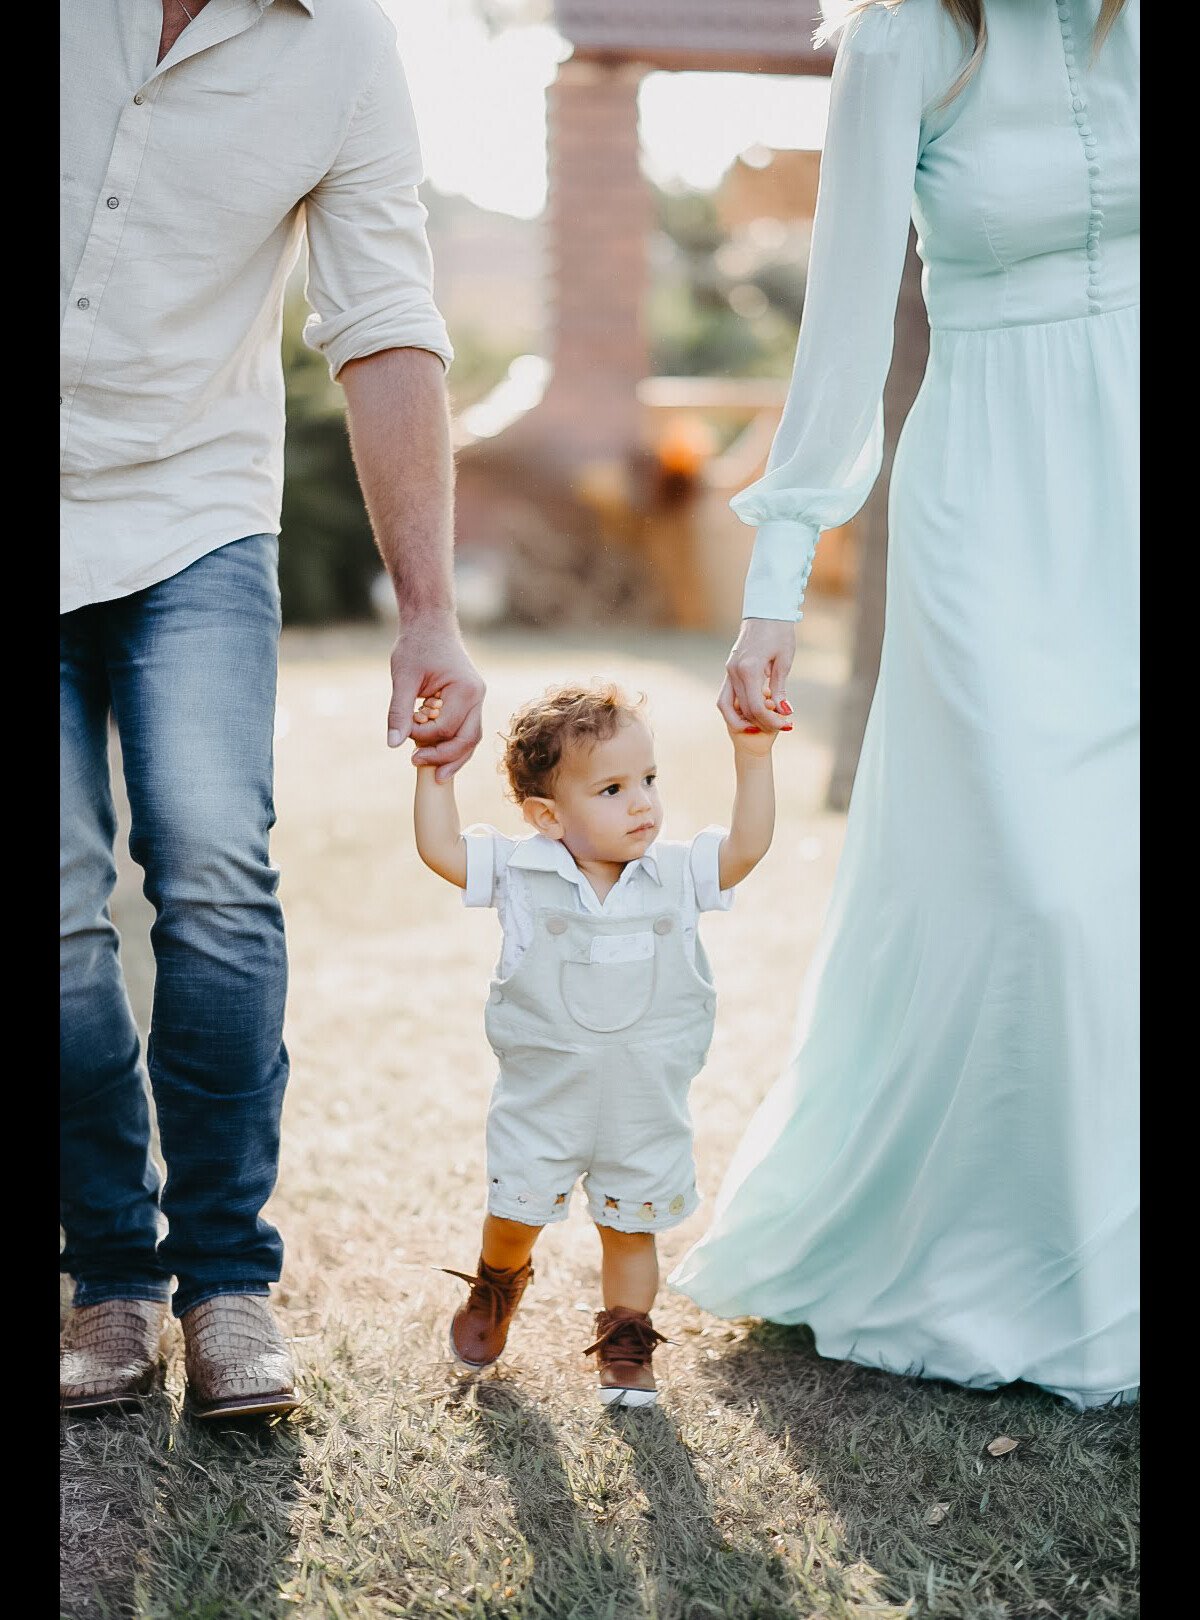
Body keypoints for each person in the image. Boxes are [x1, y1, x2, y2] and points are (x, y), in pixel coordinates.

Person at [671, 0, 1139, 1410]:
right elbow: (848, 309)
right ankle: (1018, 1257)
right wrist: (777, 580)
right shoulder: (900, 45)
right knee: (1043, 888)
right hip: (991, 489)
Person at [60, 0, 485, 1418]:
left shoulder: (344, 53)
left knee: (215, 872)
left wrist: (425, 607)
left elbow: (382, 324)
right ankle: (111, 1280)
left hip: (193, 512)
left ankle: (228, 1286)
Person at [413, 682, 784, 1406]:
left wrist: (753, 757)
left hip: (643, 1105)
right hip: (543, 1103)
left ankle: (626, 1336)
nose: (642, 801)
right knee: (516, 1215)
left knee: (630, 1228)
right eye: (612, 789)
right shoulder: (522, 875)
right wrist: (433, 772)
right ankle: (498, 1284)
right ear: (548, 816)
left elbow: (746, 848)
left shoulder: (674, 875)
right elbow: (440, 850)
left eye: (648, 779)